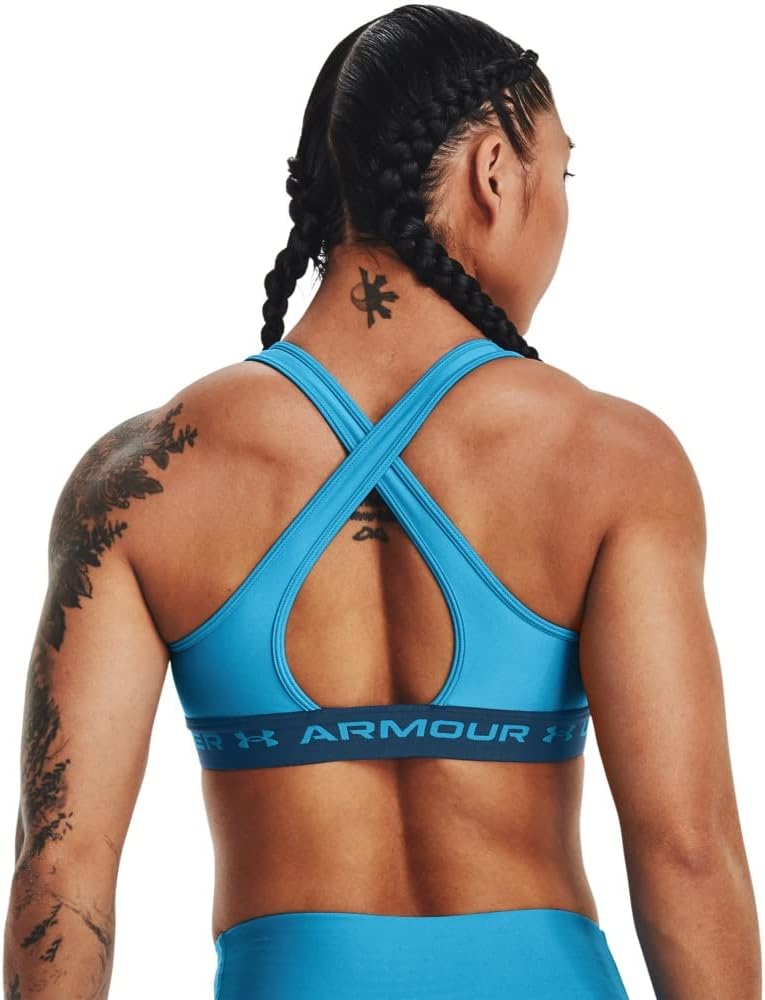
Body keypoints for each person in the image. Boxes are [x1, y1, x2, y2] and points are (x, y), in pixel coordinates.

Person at [4, 4, 760, 998]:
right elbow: (686, 849)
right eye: (561, 173)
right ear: (495, 172)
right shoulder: (609, 458)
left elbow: (62, 865)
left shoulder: (145, 475)